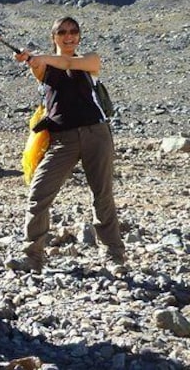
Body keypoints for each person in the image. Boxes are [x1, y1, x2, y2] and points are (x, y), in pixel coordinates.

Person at [9, 16, 125, 274]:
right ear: (54, 37)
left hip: (97, 134)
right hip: (62, 140)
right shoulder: (42, 67)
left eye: (73, 31)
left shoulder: (90, 60)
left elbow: (69, 63)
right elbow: (46, 66)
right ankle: (33, 257)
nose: (69, 35)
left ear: (79, 36)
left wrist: (37, 56)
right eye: (62, 32)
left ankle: (114, 256)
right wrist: (32, 60)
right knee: (39, 194)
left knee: (102, 195)